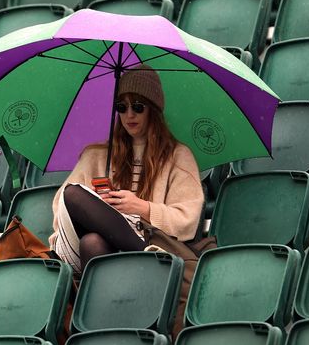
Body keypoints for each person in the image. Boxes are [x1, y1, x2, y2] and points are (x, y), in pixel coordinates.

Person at [49, 64, 204, 275]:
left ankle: (146, 253)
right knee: (83, 220)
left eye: (138, 107)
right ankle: (142, 256)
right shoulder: (96, 155)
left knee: (88, 234)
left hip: (159, 246)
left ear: (153, 109)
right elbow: (61, 207)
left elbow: (187, 220)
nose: (129, 114)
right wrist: (100, 211)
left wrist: (142, 208)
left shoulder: (178, 155)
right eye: (122, 107)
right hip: (106, 249)